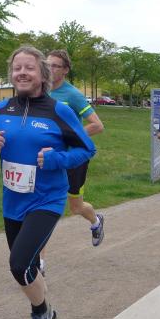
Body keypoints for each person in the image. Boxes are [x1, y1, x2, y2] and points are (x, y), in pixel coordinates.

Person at [0, 45, 96, 319]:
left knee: (18, 264)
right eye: (17, 68)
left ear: (42, 74)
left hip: (46, 200)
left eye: (29, 67)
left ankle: (40, 315)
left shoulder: (58, 111)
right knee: (26, 268)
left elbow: (87, 148)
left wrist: (57, 159)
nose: (22, 73)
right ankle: (48, 313)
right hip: (13, 201)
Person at [36, 50, 106, 273]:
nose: (50, 69)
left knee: (76, 207)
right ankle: (39, 263)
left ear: (65, 70)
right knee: (43, 207)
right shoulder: (40, 91)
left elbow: (97, 125)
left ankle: (96, 221)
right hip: (49, 159)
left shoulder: (72, 95)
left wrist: (69, 136)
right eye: (47, 64)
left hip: (74, 158)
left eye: (55, 66)